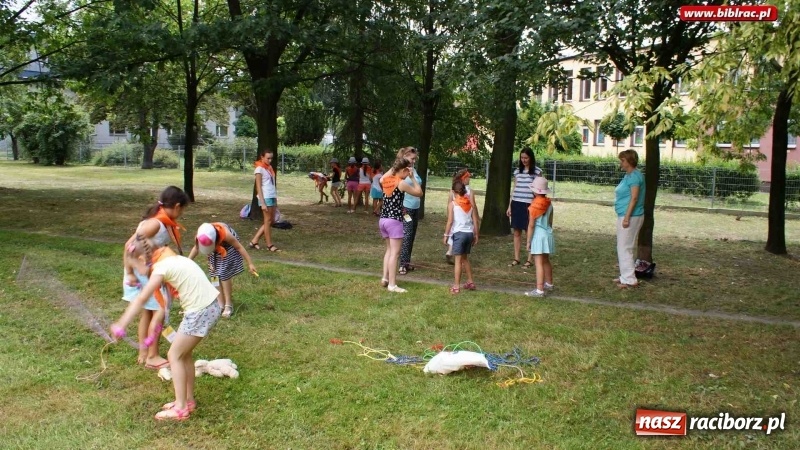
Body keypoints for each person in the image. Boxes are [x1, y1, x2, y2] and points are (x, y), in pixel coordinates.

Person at [111, 237, 222, 421]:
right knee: (184, 354)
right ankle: (188, 400)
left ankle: (180, 409)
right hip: (209, 305)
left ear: (142, 260)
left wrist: (120, 324)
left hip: (200, 310)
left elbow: (140, 299)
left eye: (136, 267)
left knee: (174, 355)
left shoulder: (160, 268)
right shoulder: (169, 259)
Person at [122, 185, 189, 370]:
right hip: (144, 273)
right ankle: (152, 355)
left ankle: (144, 352)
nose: (181, 214)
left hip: (147, 271)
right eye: (182, 210)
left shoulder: (161, 221)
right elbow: (130, 246)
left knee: (148, 312)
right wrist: (131, 272)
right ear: (176, 206)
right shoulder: (156, 224)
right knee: (159, 312)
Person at [188, 222, 258, 318]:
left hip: (229, 247)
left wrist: (250, 263)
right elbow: (196, 248)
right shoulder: (201, 237)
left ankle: (228, 304)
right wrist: (188, 262)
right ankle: (220, 303)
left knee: (223, 272)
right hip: (215, 246)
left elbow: (239, 247)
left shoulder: (226, 235)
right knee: (214, 275)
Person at [379, 157, 423, 293]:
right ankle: (392, 285)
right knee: (395, 253)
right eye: (407, 171)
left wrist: (395, 166)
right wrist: (413, 179)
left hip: (383, 220)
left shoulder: (385, 180)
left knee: (389, 250)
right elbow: (419, 193)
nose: (408, 174)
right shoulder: (401, 183)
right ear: (404, 170)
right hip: (394, 221)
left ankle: (385, 278)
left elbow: (382, 178)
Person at [507, 146, 542, 268]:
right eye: (522, 157)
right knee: (516, 232)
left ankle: (529, 259)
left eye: (526, 157)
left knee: (529, 231)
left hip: (529, 205)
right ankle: (516, 258)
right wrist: (509, 206)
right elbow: (514, 188)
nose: (524, 160)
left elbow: (539, 190)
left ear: (531, 158)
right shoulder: (517, 171)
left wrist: (537, 206)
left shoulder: (537, 172)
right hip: (516, 203)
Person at [614, 149, 645, 288]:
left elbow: (634, 198)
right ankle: (625, 276)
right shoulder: (629, 175)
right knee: (623, 246)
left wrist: (627, 217)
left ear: (630, 161)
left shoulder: (634, 177)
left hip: (631, 216)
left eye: (623, 160)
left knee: (624, 247)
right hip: (625, 215)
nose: (621, 162)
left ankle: (630, 280)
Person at [443, 179, 480, 294]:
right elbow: (475, 220)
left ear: (454, 192)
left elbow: (450, 221)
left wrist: (446, 235)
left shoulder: (453, 204)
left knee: (458, 261)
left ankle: (456, 286)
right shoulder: (470, 203)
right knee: (465, 259)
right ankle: (470, 281)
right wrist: (476, 234)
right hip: (469, 234)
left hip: (459, 234)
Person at [524, 177, 555, 298]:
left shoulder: (534, 206)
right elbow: (550, 221)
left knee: (538, 263)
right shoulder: (549, 203)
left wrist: (528, 241)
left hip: (538, 236)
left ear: (535, 191)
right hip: (548, 234)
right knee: (546, 260)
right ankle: (549, 283)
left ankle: (539, 289)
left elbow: (531, 225)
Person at [249, 149, 281, 252]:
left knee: (271, 221)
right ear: (262, 157)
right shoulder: (259, 169)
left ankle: (254, 241)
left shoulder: (269, 167)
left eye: (271, 158)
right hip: (265, 197)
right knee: (267, 221)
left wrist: (275, 198)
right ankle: (269, 245)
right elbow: (258, 187)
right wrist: (262, 203)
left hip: (271, 196)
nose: (270, 160)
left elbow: (272, 184)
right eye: (268, 158)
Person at [397, 147, 423, 275]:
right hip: (405, 208)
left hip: (415, 207)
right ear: (405, 156)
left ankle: (406, 262)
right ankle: (402, 265)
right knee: (407, 235)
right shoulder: (401, 171)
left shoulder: (413, 170)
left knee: (411, 235)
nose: (414, 161)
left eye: (415, 159)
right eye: (412, 158)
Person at [445, 169, 477, 264]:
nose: (469, 179)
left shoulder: (452, 190)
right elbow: (473, 205)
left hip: (455, 215)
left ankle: (450, 250)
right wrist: (475, 216)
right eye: (468, 177)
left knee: (453, 232)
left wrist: (449, 214)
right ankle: (456, 255)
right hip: (465, 217)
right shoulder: (469, 191)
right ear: (464, 179)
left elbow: (449, 203)